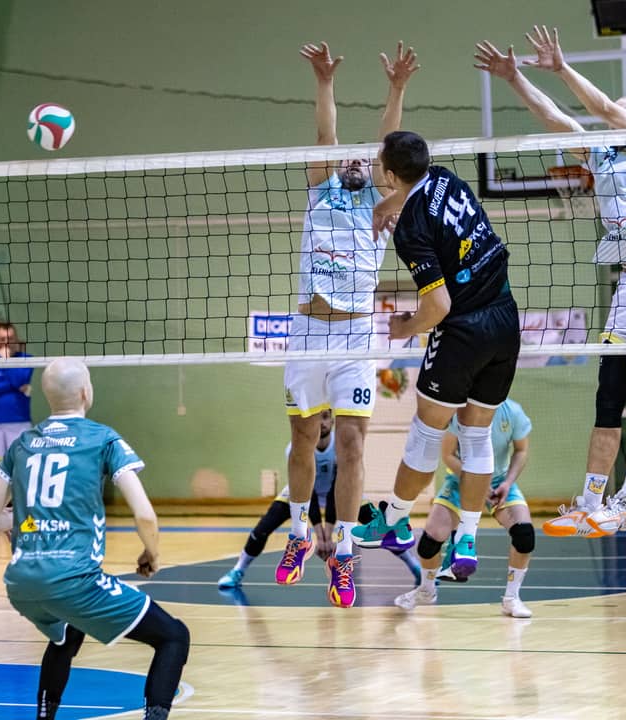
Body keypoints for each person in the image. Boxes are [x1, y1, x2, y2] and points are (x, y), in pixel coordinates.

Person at [475, 26, 626, 536]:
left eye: (622, 114)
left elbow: (605, 110)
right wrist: (514, 79)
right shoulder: (602, 153)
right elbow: (556, 119)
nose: (612, 119)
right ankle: (591, 501)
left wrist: (562, 68)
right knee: (608, 396)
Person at [278, 40, 419, 608]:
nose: (356, 162)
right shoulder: (321, 190)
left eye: (367, 160)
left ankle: (341, 550)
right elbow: (325, 135)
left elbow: (391, 142)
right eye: (349, 158)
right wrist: (324, 81)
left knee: (353, 444)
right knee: (303, 437)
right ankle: (297, 535)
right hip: (308, 331)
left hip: (357, 336)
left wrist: (397, 88)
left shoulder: (382, 205)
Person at [351, 131, 522, 587]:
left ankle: (394, 520)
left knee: (427, 433)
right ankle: (467, 538)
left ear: (390, 174)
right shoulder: (447, 178)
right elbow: (417, 197)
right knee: (477, 436)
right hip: (505, 321)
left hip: (462, 330)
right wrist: (383, 207)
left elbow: (438, 307)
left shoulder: (411, 232)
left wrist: (405, 327)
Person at [0, 358, 190, 720]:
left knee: (67, 632)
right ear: (85, 393)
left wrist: (29, 518)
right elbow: (145, 516)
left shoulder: (23, 443)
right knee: (174, 636)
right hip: (73, 580)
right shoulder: (103, 438)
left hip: (20, 584)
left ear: (47, 396)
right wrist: (151, 553)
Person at [219, 409, 420, 589]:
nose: (322, 423)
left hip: (340, 492)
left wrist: (328, 535)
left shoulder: (340, 446)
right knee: (263, 528)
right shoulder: (297, 447)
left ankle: (415, 567)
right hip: (301, 492)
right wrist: (319, 534)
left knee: (381, 528)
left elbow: (336, 491)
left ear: (332, 421)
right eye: (318, 418)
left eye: (326, 418)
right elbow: (310, 493)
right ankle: (238, 570)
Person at [395, 398, 535, 618]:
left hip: (499, 483)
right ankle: (426, 590)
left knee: (524, 535)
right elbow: (448, 455)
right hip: (461, 480)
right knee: (430, 541)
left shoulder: (513, 412)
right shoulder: (460, 412)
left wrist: (508, 482)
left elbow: (521, 450)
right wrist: (478, 483)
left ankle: (511, 598)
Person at [0, 322, 33, 491]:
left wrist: (6, 362)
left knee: (20, 464)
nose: (7, 342)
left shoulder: (27, 358)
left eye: (10, 338)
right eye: (3, 339)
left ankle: (19, 503)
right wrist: (14, 386)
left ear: (16, 339)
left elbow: (19, 380)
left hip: (19, 422)